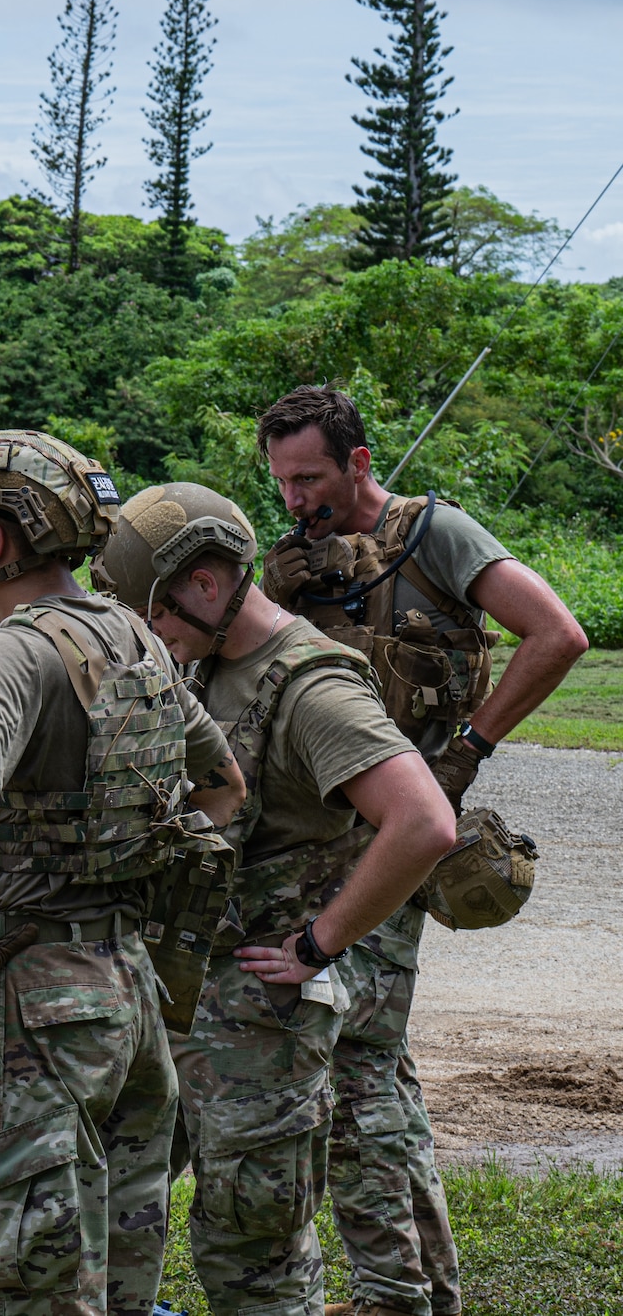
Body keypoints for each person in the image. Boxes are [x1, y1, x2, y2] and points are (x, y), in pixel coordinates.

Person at [0, 432, 247, 1316]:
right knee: (120, 1279)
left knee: (12, 1284)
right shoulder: (134, 634)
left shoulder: (9, 652)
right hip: (129, 994)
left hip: (30, 1002)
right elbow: (223, 784)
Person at [257, 386, 586, 1316]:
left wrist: (466, 751)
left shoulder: (434, 532)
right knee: (382, 1064)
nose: (294, 497)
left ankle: (390, 1294)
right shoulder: (295, 559)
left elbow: (558, 634)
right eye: (281, 480)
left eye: (310, 476)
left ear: (359, 462)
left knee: (355, 1068)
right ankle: (427, 1287)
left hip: (398, 839)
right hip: (318, 835)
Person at [92, 481, 457, 1316]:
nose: (153, 635)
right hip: (189, 1008)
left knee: (252, 1252)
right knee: (124, 1210)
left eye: (158, 613)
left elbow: (422, 821)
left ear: (209, 583)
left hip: (262, 1027)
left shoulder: (311, 684)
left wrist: (318, 944)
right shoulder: (207, 662)